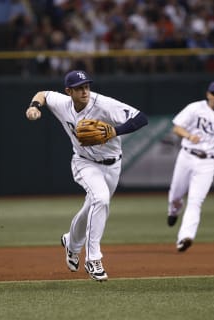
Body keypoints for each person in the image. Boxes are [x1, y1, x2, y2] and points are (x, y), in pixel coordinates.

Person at [25, 70, 148, 281]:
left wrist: (114, 131)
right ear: (69, 91)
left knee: (92, 206)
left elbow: (141, 118)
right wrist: (34, 107)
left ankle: (71, 243)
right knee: (100, 199)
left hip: (113, 165)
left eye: (87, 86)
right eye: (80, 88)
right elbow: (42, 94)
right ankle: (93, 260)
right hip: (84, 162)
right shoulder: (62, 103)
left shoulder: (103, 104)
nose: (85, 91)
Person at [167, 81, 214, 252]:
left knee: (196, 201)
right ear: (208, 94)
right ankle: (173, 210)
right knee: (176, 195)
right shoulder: (194, 108)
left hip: (208, 162)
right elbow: (177, 128)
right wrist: (189, 136)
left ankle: (185, 238)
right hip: (187, 155)